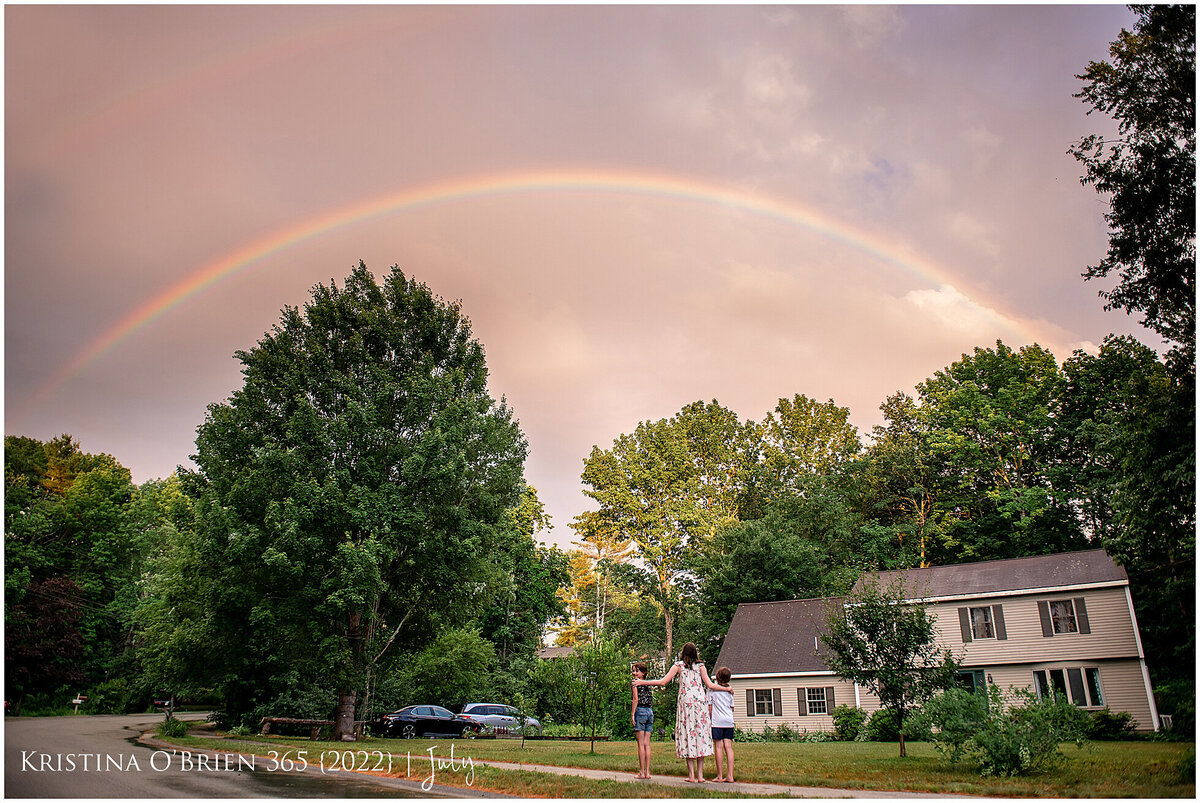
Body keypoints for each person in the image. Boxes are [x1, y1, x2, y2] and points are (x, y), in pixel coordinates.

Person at [635, 642, 721, 782]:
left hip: (686, 705)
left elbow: (663, 682)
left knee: (688, 736)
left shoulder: (679, 666)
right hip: (700, 704)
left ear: (683, 653)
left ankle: (691, 776)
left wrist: (642, 682)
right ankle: (700, 776)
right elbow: (710, 685)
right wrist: (726, 688)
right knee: (699, 736)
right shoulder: (701, 666)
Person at [707, 666, 735, 782]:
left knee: (718, 747)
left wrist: (709, 719)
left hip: (717, 721)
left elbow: (709, 707)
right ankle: (730, 775)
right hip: (729, 721)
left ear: (717, 678)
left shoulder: (712, 691)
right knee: (728, 747)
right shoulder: (730, 691)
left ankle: (719, 776)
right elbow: (732, 708)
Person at [630, 661, 655, 779]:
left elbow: (635, 699)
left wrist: (632, 713)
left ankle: (641, 772)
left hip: (640, 711)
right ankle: (648, 772)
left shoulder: (635, 683)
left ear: (643, 673)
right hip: (649, 711)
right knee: (647, 744)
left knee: (641, 744)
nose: (634, 673)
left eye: (637, 671)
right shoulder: (647, 684)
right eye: (633, 671)